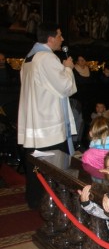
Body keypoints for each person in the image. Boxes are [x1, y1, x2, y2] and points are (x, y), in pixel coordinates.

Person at [18, 23, 77, 208]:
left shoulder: (29, 58)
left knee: (36, 163)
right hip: (48, 123)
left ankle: (35, 199)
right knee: (52, 166)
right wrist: (68, 68)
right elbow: (65, 87)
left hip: (35, 121)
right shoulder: (47, 58)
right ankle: (51, 202)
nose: (62, 39)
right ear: (50, 38)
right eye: (60, 35)